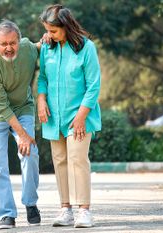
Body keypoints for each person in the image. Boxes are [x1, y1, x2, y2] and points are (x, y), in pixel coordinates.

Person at [37, 4, 102, 228]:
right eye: (48, 31)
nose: (50, 35)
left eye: (54, 31)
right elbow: (43, 77)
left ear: (66, 26)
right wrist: (41, 99)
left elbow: (94, 85)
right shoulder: (48, 47)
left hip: (80, 115)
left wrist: (82, 115)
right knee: (60, 161)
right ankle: (65, 209)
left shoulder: (87, 48)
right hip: (54, 116)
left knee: (77, 159)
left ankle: (84, 210)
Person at [0, 19, 42, 229]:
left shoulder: (27, 48)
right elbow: (3, 108)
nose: (8, 48)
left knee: (30, 153)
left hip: (23, 106)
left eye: (12, 43)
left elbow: (39, 48)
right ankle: (6, 214)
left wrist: (46, 40)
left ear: (19, 40)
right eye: (3, 44)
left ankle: (31, 204)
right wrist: (22, 134)